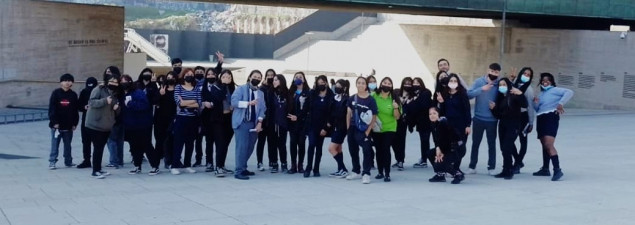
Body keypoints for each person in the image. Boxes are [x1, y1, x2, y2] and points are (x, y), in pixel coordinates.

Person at [532, 73, 573, 181]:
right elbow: (537, 109)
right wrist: (535, 103)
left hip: (551, 117)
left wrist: (561, 103)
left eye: (548, 80)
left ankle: (557, 169)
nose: (545, 82)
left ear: (552, 81)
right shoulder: (541, 94)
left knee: (548, 144)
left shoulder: (555, 90)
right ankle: (545, 169)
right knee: (544, 145)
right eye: (543, 80)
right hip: (541, 118)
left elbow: (569, 92)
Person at [85, 68, 121, 178]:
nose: (114, 84)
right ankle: (95, 170)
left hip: (106, 125)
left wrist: (116, 108)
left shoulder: (115, 93)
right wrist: (105, 101)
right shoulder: (99, 89)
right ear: (107, 81)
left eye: (116, 82)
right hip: (95, 124)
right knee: (98, 147)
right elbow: (91, 102)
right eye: (111, 81)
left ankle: (99, 169)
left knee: (100, 148)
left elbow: (115, 110)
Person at [120, 75, 160, 175]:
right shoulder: (122, 94)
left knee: (146, 145)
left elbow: (145, 105)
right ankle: (137, 166)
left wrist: (130, 104)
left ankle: (155, 166)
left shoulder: (138, 92)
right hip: (130, 124)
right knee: (134, 146)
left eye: (125, 81)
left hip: (142, 124)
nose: (123, 83)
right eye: (121, 82)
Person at [466, 63, 502, 175]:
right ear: (488, 70)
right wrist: (482, 89)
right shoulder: (479, 82)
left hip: (492, 120)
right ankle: (472, 166)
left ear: (499, 73)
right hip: (478, 119)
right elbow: (469, 94)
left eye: (496, 72)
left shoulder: (500, 84)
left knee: (492, 144)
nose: (493, 74)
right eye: (492, 71)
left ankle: (491, 167)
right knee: (475, 143)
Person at [489, 78, 527, 179]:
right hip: (502, 125)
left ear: (508, 85)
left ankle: (510, 170)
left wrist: (520, 93)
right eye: (500, 85)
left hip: (513, 125)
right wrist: (493, 109)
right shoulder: (501, 97)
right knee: (503, 148)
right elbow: (499, 115)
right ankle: (505, 170)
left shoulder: (514, 95)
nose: (502, 86)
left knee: (507, 147)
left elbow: (525, 104)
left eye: (504, 84)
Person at [231, 70, 266, 180]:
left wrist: (260, 122)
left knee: (250, 147)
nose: (256, 78)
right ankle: (238, 171)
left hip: (254, 123)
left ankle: (243, 167)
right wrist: (248, 103)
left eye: (259, 77)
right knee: (242, 147)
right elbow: (234, 102)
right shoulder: (241, 89)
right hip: (242, 122)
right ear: (250, 77)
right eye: (254, 76)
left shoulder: (260, 93)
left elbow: (263, 108)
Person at [202, 69, 236, 177]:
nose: (227, 79)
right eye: (224, 77)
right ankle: (218, 168)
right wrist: (224, 85)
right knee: (220, 143)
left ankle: (222, 165)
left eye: (229, 77)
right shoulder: (215, 87)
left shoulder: (232, 88)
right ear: (220, 78)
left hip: (229, 118)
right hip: (218, 119)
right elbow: (219, 97)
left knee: (225, 144)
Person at [345, 76, 378, 184]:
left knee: (367, 150)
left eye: (363, 83)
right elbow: (348, 113)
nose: (361, 85)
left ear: (366, 85)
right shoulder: (352, 98)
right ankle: (356, 170)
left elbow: (374, 116)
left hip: (364, 129)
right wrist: (348, 128)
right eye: (359, 83)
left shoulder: (371, 100)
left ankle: (366, 173)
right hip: (353, 128)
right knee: (353, 150)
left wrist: (368, 131)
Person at [437, 73, 471, 175]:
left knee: (460, 147)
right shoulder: (445, 94)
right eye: (451, 81)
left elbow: (467, 111)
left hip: (460, 125)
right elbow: (442, 113)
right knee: (448, 147)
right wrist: (441, 102)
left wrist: (468, 125)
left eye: (455, 81)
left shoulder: (462, 94)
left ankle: (456, 167)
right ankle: (449, 167)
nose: (453, 83)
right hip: (448, 126)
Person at [170, 68, 202, 175]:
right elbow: (179, 103)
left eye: (191, 74)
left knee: (190, 143)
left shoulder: (196, 88)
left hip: (193, 119)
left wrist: (187, 102)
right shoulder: (178, 87)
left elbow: (199, 103)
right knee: (178, 142)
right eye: (187, 74)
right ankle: (175, 165)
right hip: (181, 118)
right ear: (183, 76)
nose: (189, 76)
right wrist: (192, 102)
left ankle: (187, 164)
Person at [48, 73, 79, 169]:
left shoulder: (73, 95)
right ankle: (52, 162)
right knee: (55, 145)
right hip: (56, 126)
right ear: (61, 82)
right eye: (65, 80)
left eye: (69, 81)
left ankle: (68, 161)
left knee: (68, 145)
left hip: (68, 125)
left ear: (72, 83)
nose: (67, 82)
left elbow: (75, 110)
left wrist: (75, 123)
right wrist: (54, 122)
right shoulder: (56, 93)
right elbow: (52, 108)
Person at [304, 75, 333, 178]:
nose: (321, 84)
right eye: (319, 82)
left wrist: (326, 128)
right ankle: (308, 168)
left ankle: (316, 169)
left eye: (323, 82)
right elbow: (306, 108)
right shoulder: (312, 93)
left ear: (326, 82)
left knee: (319, 148)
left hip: (323, 127)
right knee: (311, 145)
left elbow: (332, 113)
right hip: (312, 125)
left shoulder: (330, 95)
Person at [372, 77, 400, 182]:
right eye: (385, 83)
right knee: (378, 150)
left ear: (391, 86)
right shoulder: (374, 95)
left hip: (389, 128)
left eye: (389, 83)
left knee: (386, 148)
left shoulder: (394, 98)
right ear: (381, 84)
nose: (387, 85)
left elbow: (397, 117)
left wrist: (396, 107)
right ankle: (380, 172)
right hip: (377, 127)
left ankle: (387, 173)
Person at [427, 107, 464, 184]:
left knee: (440, 163)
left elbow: (451, 140)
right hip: (446, 147)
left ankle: (458, 174)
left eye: (434, 113)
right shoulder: (433, 124)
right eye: (430, 114)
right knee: (430, 153)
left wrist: (442, 153)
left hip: (456, 149)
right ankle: (440, 175)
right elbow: (436, 140)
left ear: (439, 114)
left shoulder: (443, 123)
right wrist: (438, 149)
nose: (432, 115)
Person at [510, 67, 536, 174]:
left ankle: (518, 163)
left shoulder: (528, 89)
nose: (526, 76)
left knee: (522, 140)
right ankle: (518, 160)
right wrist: (511, 80)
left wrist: (531, 122)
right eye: (524, 73)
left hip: (523, 117)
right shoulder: (515, 83)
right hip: (513, 116)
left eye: (528, 75)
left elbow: (530, 106)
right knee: (509, 140)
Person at [405, 77, 432, 168]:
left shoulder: (426, 93)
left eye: (418, 83)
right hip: (420, 123)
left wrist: (412, 103)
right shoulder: (413, 95)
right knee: (424, 141)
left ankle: (427, 159)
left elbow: (422, 106)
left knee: (428, 141)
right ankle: (424, 159)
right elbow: (412, 109)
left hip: (429, 121)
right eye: (414, 83)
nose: (415, 85)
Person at [287, 72, 310, 174]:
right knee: (292, 143)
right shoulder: (291, 92)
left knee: (301, 143)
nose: (298, 79)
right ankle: (293, 165)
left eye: (300, 77)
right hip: (292, 123)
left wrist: (299, 117)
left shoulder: (308, 93)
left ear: (304, 79)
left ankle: (301, 165)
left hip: (303, 123)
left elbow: (308, 108)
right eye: (296, 77)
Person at [327, 79, 350, 178]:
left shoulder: (346, 99)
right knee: (338, 148)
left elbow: (342, 114)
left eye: (339, 86)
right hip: (335, 127)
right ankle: (340, 169)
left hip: (341, 127)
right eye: (336, 86)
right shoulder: (334, 98)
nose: (337, 88)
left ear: (344, 88)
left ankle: (343, 168)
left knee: (331, 148)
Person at [268, 74, 290, 173]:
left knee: (282, 144)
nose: (274, 81)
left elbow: (290, 107)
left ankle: (284, 163)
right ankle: (273, 163)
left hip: (283, 123)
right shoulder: (270, 92)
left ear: (281, 81)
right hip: (272, 122)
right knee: (272, 143)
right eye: (273, 80)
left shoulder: (287, 93)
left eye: (276, 80)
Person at [255, 69, 276, 171]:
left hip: (272, 120)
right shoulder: (261, 88)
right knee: (261, 142)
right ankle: (259, 162)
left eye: (272, 75)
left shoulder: (276, 88)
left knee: (272, 142)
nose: (270, 77)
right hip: (263, 119)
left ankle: (272, 162)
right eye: (268, 75)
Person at [155, 72, 177, 169]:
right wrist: (160, 94)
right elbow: (155, 102)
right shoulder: (162, 89)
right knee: (160, 140)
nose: (170, 79)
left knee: (171, 140)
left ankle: (169, 160)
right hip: (160, 118)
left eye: (172, 77)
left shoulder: (178, 90)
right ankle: (157, 161)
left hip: (173, 118)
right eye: (168, 77)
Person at [390, 77, 412, 171]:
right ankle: (397, 158)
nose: (407, 85)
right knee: (393, 141)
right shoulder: (396, 92)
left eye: (409, 83)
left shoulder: (412, 95)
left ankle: (401, 161)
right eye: (406, 83)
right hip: (393, 119)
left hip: (403, 121)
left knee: (401, 141)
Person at [76, 77, 98, 169]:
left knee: (97, 142)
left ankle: (97, 161)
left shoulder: (99, 92)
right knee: (85, 141)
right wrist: (84, 107)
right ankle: (87, 160)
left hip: (97, 120)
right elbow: (79, 105)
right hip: (86, 120)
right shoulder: (84, 92)